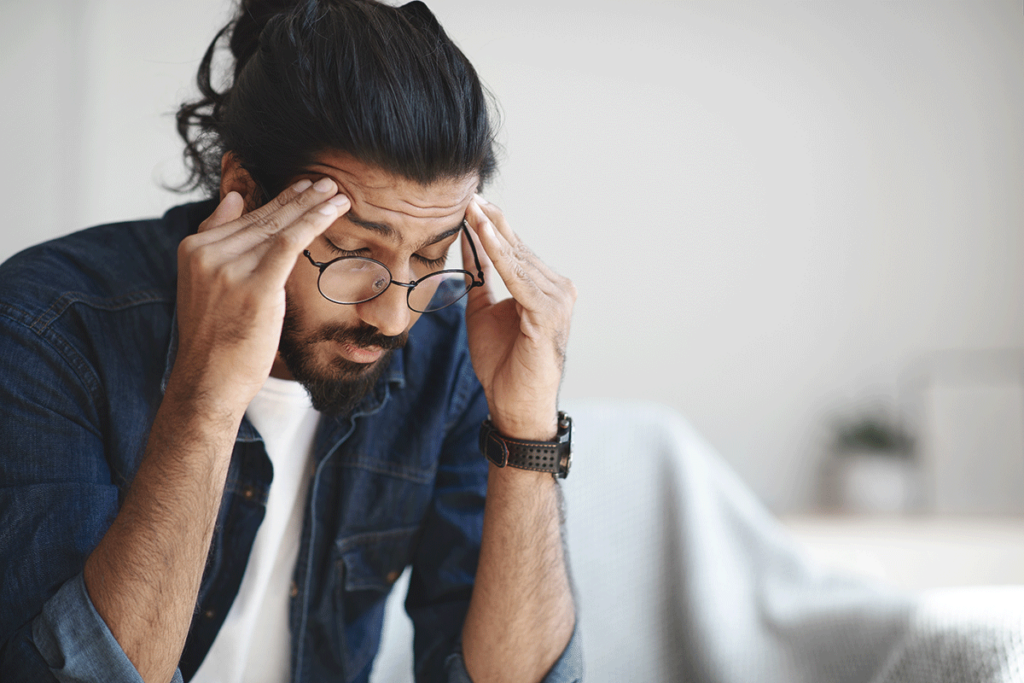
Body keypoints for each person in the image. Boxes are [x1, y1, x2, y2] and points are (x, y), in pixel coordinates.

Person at [0, 1, 580, 681]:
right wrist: (208, 396)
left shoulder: (451, 355)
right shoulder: (47, 328)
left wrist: (526, 432)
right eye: (354, 250)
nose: (394, 316)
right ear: (244, 193)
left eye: (431, 255)